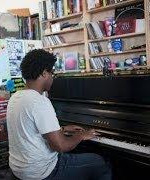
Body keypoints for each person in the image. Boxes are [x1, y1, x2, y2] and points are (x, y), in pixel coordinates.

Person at [6, 49, 111, 180]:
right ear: (44, 73)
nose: (52, 78)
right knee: (100, 163)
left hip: (19, 169)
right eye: (52, 73)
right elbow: (61, 146)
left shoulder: (16, 97)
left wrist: (62, 129)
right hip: (43, 172)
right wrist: (81, 135)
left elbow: (31, 132)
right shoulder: (39, 101)